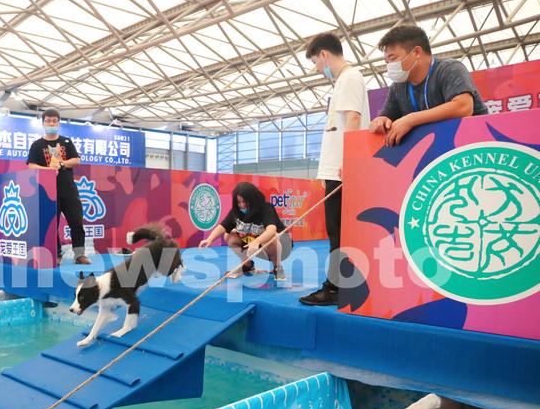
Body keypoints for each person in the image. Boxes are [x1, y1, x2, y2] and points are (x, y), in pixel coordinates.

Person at [299, 32, 369, 306]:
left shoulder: (350, 78)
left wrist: (347, 161)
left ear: (324, 55)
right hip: (337, 171)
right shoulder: (344, 80)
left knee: (338, 232)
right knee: (338, 231)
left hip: (341, 172)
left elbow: (353, 118)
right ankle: (339, 285)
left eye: (316, 62)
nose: (318, 68)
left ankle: (335, 288)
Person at [370, 25, 487, 147]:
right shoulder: (397, 87)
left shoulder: (449, 69)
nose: (389, 66)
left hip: (473, 146)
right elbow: (386, 117)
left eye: (393, 58)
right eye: (387, 62)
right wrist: (380, 121)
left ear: (416, 52)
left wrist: (411, 119)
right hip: (433, 151)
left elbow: (463, 107)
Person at [27, 108, 91, 265]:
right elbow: (31, 165)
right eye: (48, 121)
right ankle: (56, 254)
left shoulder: (66, 142)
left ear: (59, 123)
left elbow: (76, 160)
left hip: (69, 190)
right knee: (51, 225)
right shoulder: (37, 145)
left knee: (76, 222)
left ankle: (79, 255)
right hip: (48, 192)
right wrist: (48, 169)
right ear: (43, 123)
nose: (51, 124)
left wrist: (61, 164)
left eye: (54, 121)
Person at [199, 182, 292, 279]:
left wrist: (256, 242)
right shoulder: (236, 211)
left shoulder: (266, 208)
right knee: (229, 235)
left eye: (245, 202)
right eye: (239, 202)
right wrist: (209, 239)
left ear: (253, 199)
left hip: (281, 248)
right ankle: (248, 265)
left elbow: (271, 230)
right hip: (254, 246)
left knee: (273, 236)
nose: (242, 205)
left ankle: (277, 267)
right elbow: (223, 226)